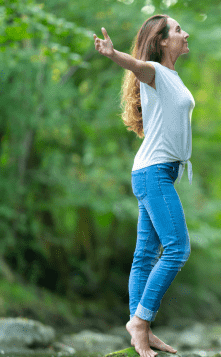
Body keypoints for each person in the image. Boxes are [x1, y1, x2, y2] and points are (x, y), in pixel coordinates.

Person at [94, 14, 193, 357]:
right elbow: (135, 64)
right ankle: (140, 320)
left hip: (156, 172)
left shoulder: (172, 77)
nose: (185, 33)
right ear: (163, 40)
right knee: (178, 247)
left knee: (146, 255)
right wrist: (112, 53)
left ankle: (141, 331)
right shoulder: (154, 70)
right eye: (179, 30)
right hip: (153, 173)